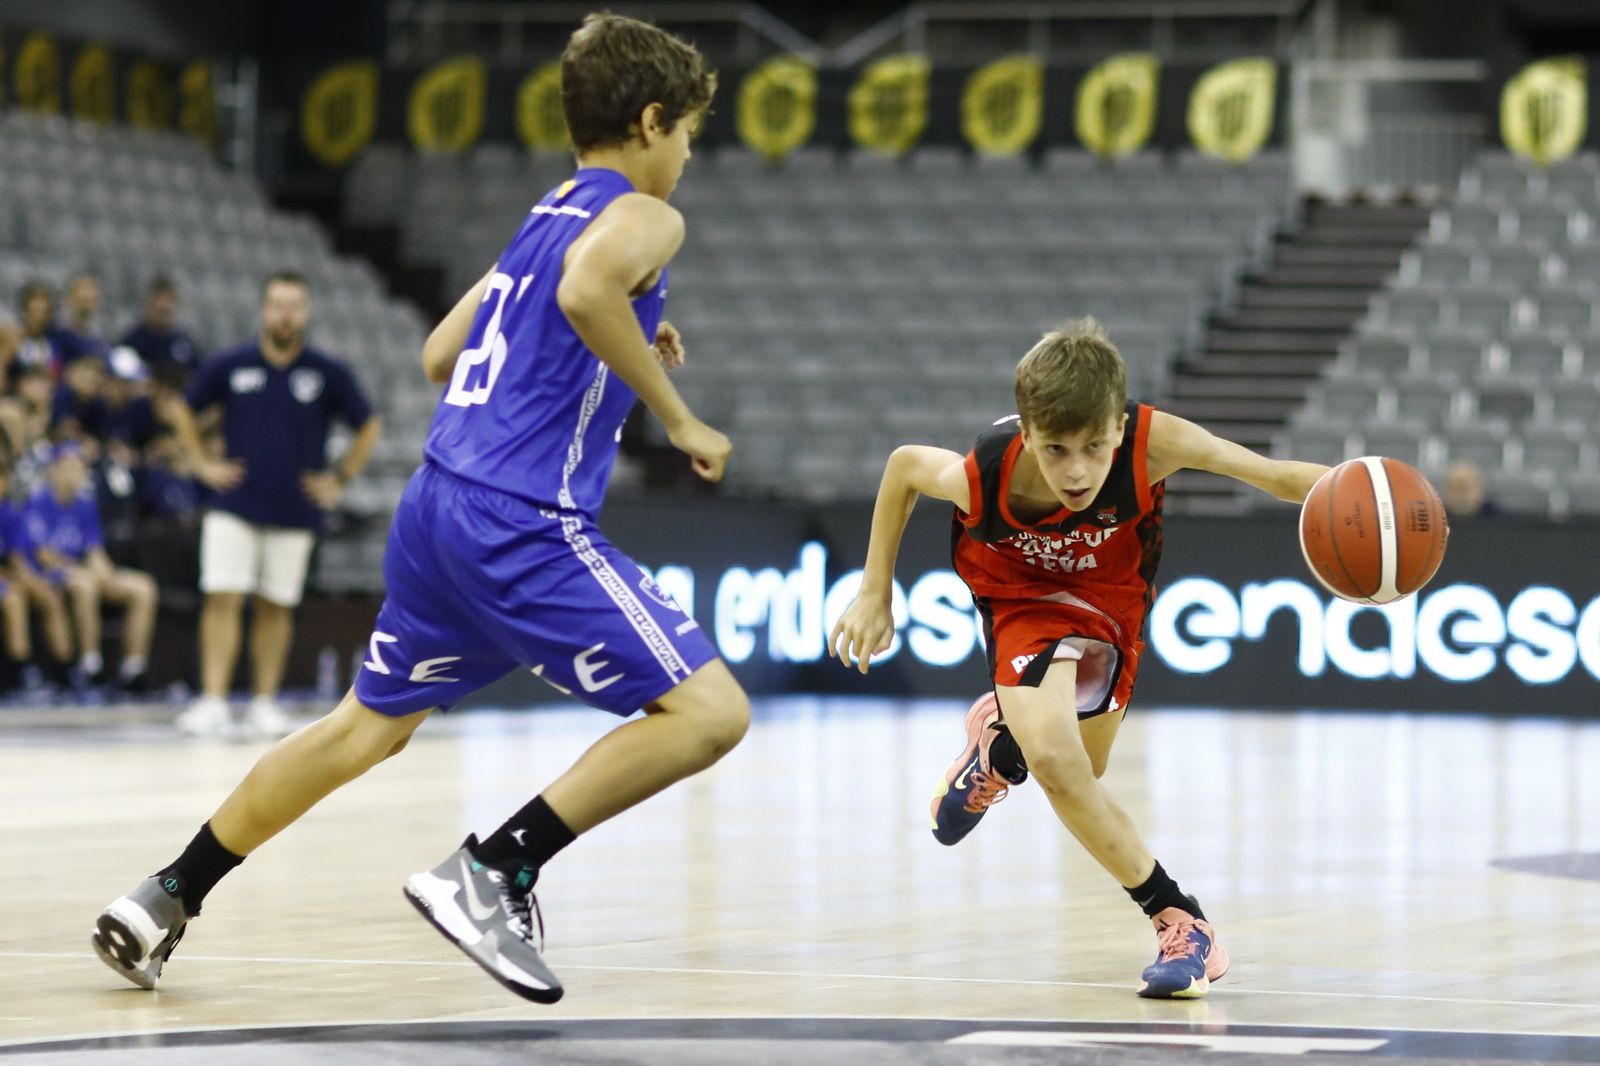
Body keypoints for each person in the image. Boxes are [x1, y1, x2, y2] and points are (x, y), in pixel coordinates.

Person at [93, 12, 744, 1006]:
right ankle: (499, 870)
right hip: (519, 518)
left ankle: (166, 895)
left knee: (365, 726)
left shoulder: (544, 215)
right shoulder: (646, 218)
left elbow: (445, 354)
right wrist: (679, 417)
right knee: (708, 712)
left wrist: (619, 344)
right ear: (651, 121)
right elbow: (586, 291)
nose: (689, 155)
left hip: (435, 507)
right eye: (689, 132)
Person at [828, 318, 1329, 999]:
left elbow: (1275, 476)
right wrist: (874, 591)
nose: (1076, 470)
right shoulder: (986, 473)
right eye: (1056, 448)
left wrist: (1373, 497)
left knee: (1081, 767)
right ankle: (1178, 918)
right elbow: (905, 467)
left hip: (1109, 609)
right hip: (1021, 601)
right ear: (1029, 430)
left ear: (1119, 428)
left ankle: (999, 751)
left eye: (1094, 447)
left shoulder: (1156, 443)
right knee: (1062, 768)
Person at [167, 271, 382, 737]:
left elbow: (369, 424)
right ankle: (214, 700)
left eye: (294, 306)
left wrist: (339, 478)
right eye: (278, 305)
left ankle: (264, 701)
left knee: (275, 605)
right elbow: (182, 408)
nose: (285, 314)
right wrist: (203, 463)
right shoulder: (232, 364)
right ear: (264, 310)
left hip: (296, 509)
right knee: (222, 596)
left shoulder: (326, 371)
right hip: (234, 502)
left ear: (305, 314)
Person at [20, 442, 158, 690]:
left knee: (143, 587)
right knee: (85, 584)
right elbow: (42, 555)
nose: (75, 473)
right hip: (49, 573)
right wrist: (87, 572)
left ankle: (133, 669)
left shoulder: (85, 504)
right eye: (69, 466)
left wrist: (107, 576)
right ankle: (89, 665)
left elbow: (95, 549)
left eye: (79, 467)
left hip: (82, 569)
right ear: (54, 470)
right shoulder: (38, 501)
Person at [118, 276, 200, 388]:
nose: (164, 306)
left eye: (170, 300)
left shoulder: (184, 342)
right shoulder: (132, 342)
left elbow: (199, 377)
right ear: (147, 304)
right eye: (159, 299)